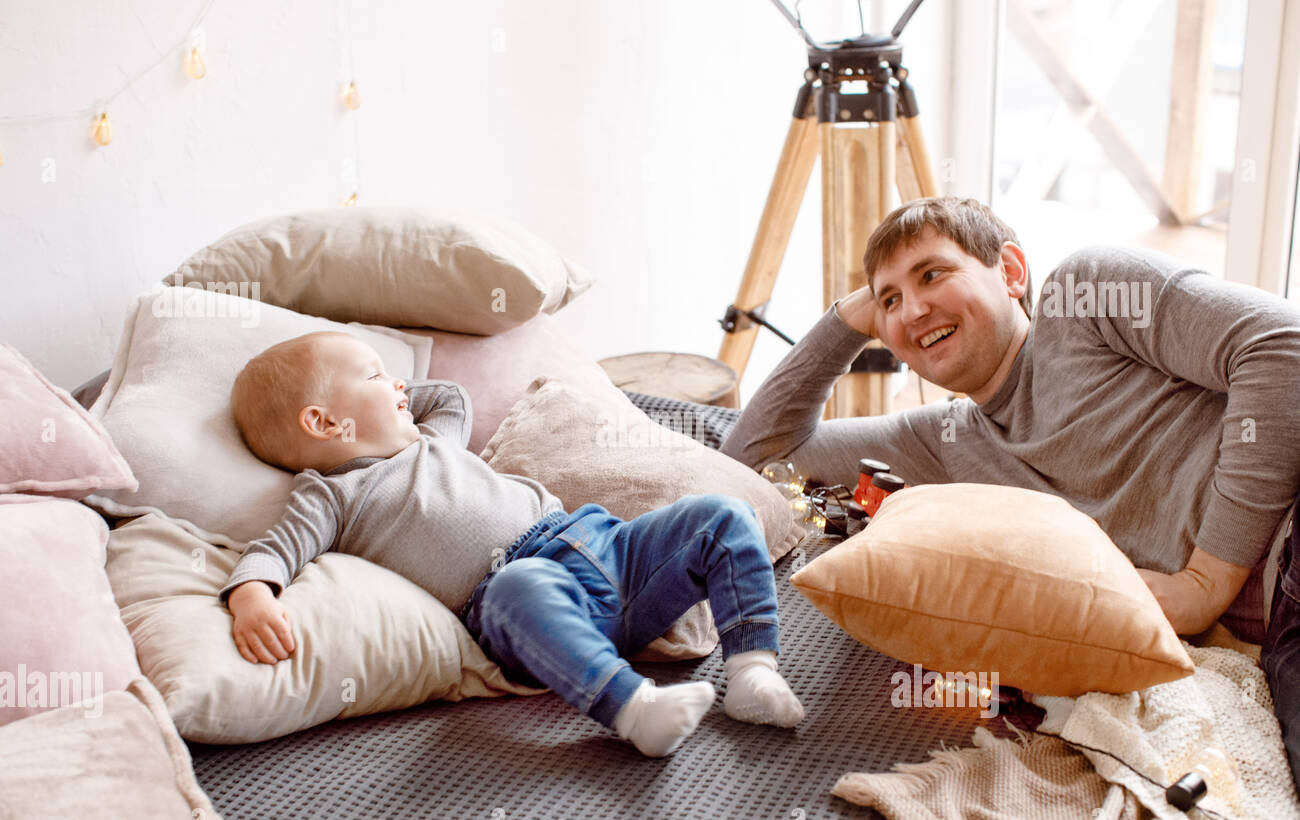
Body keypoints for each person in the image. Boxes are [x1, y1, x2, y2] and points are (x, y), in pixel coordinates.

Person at [720, 195, 1300, 787]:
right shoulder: (938, 442)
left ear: (1012, 271)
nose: (913, 309)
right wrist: (847, 319)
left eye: (933, 274)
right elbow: (755, 461)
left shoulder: (1084, 298)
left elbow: (1285, 347)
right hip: (1282, 628)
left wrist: (1205, 583)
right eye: (890, 300)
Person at [218, 331, 805, 758]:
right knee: (520, 587)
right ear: (323, 424)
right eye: (375, 376)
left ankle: (752, 668)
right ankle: (632, 707)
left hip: (605, 545)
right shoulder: (333, 494)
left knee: (720, 515)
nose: (398, 383)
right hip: (518, 592)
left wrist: (385, 396)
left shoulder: (430, 438)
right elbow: (276, 548)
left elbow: (449, 396)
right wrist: (252, 595)